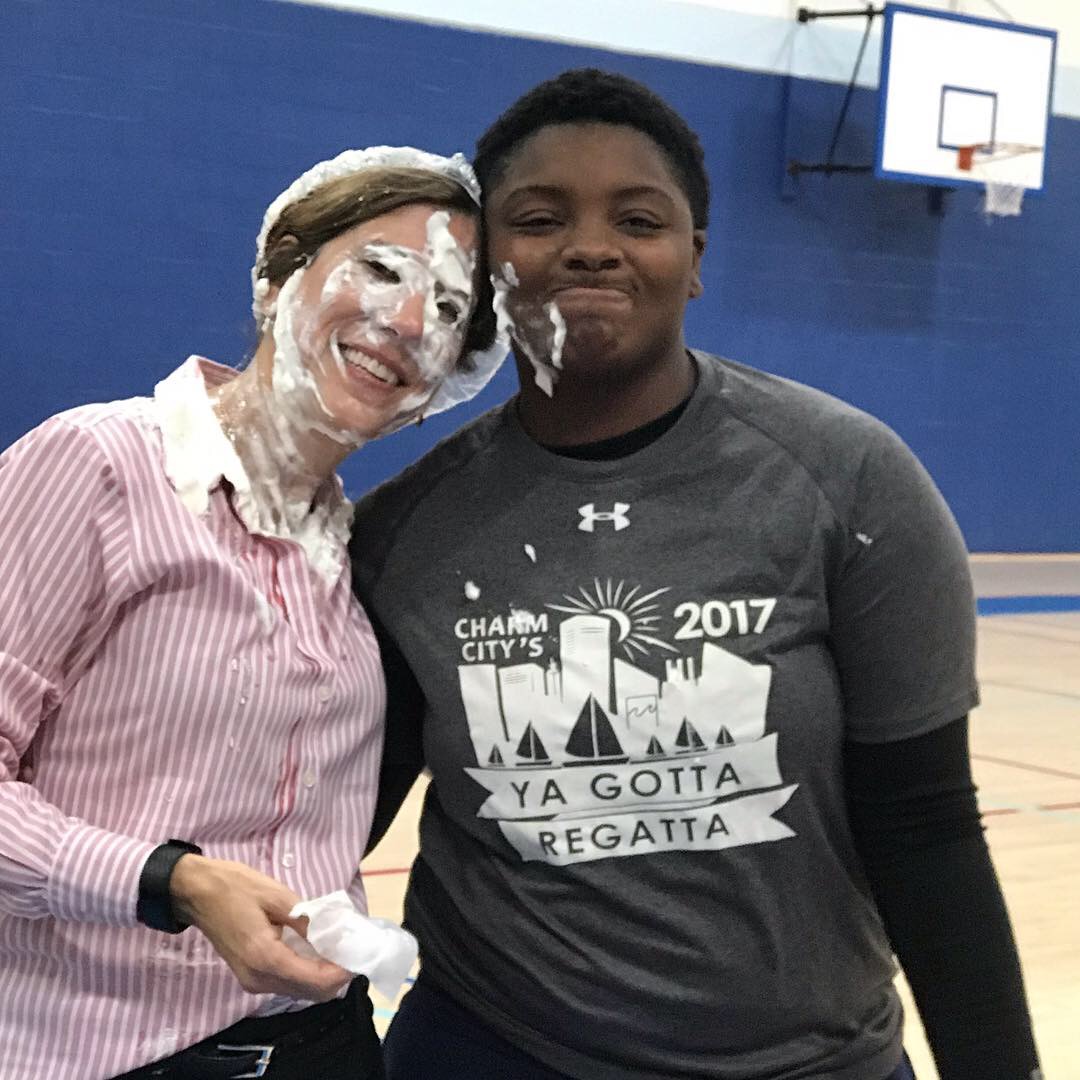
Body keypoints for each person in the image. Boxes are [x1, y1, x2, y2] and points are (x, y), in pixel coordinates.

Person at [351, 70, 1042, 1080]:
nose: (592, 245)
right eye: (540, 218)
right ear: (479, 265)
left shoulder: (849, 482)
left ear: (695, 261)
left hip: (806, 1061)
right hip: (495, 1046)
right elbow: (328, 819)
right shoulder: (407, 527)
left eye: (639, 217)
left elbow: (925, 826)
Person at [0, 146, 502, 1080]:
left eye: (448, 311)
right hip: (102, 1052)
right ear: (278, 274)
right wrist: (171, 881)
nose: (405, 322)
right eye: (383, 269)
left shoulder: (361, 554)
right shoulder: (98, 466)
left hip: (323, 1045)